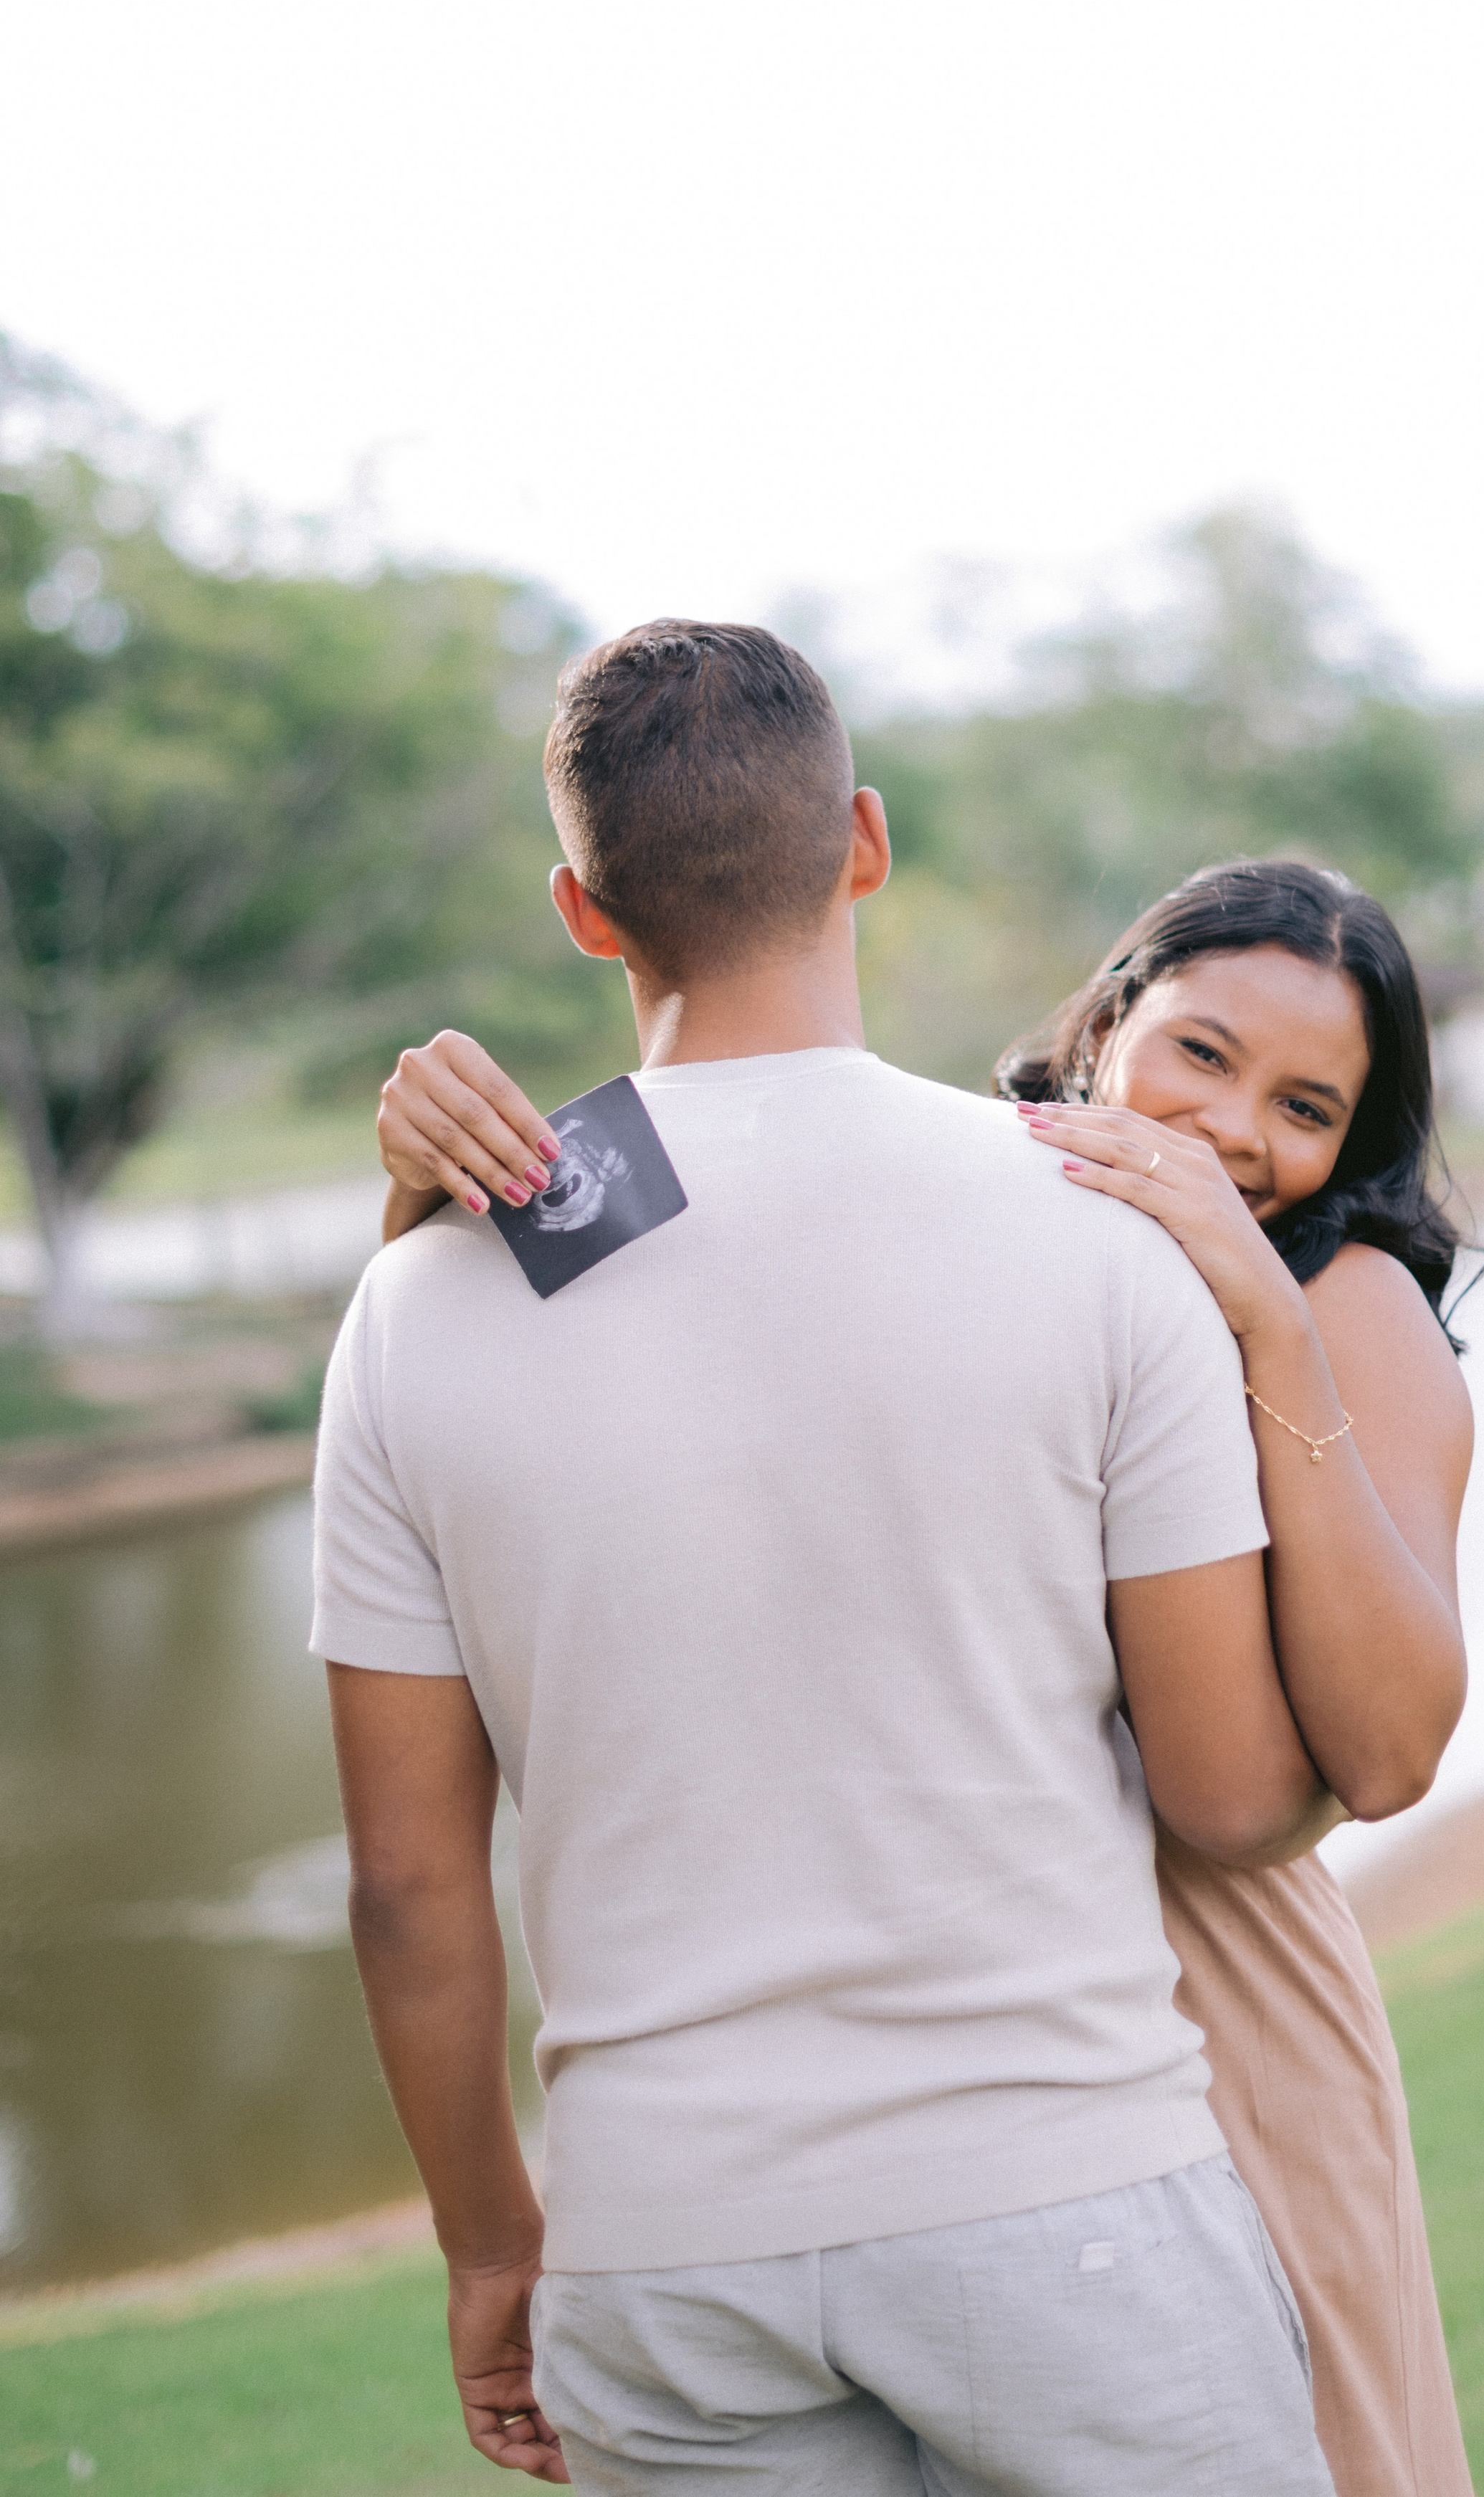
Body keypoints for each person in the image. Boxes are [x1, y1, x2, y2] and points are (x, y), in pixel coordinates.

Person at [316, 619, 1336, 2497]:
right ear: (863, 842)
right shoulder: (1105, 1232)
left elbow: (405, 1883)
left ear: (582, 909)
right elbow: (1230, 1791)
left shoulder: (412, 1305)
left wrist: (488, 2244)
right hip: (1070, 2195)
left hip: (663, 2244)